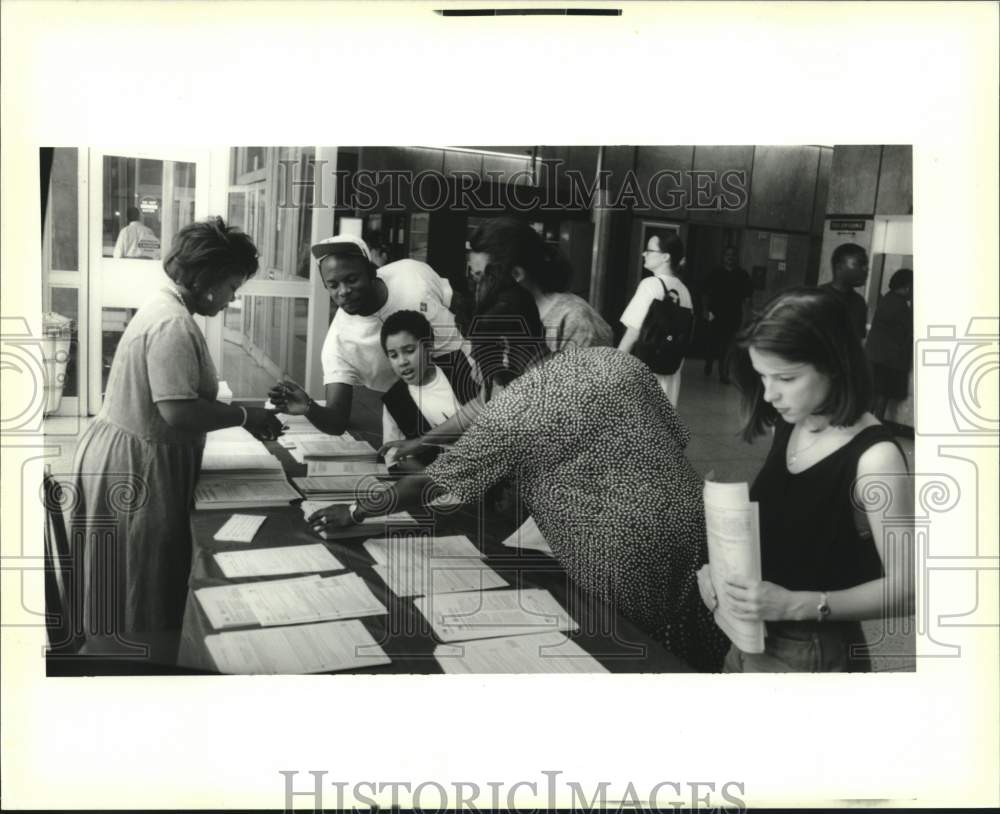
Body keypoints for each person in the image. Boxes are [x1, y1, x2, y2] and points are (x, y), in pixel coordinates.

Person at [313, 284, 728, 672]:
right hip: (699, 530)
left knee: (638, 659)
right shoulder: (616, 361)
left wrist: (354, 511)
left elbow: (430, 483)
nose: (475, 366)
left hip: (624, 556)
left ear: (505, 350)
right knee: (699, 648)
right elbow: (675, 436)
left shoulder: (516, 409)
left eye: (480, 355)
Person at [70, 217, 282, 647]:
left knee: (137, 571)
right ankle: (134, 658)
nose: (232, 299)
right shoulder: (172, 323)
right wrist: (244, 417)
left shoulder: (170, 309)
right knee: (139, 572)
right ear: (207, 281)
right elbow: (178, 411)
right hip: (136, 465)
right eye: (231, 287)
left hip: (133, 450)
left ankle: (131, 645)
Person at [696, 287, 914, 672]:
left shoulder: (874, 458)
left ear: (832, 363)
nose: (770, 394)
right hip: (751, 637)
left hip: (810, 650)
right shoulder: (793, 423)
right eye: (762, 377)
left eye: (786, 377)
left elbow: (908, 590)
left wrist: (795, 604)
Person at [269, 235, 470, 435]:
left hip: (468, 374)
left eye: (352, 279)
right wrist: (308, 407)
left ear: (371, 271)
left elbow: (457, 300)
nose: (344, 291)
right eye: (333, 285)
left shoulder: (412, 274)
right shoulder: (339, 343)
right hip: (417, 408)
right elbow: (337, 421)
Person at [467, 216, 613, 353]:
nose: (478, 288)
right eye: (473, 277)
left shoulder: (575, 321)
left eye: (483, 278)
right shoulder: (498, 316)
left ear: (516, 274)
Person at [380, 309, 478, 469]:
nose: (402, 361)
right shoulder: (395, 401)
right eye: (393, 355)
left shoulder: (461, 364)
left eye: (409, 351)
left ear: (429, 347)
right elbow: (395, 459)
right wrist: (433, 480)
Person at [617, 231, 693, 406]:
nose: (644, 254)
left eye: (649, 250)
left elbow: (632, 334)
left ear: (665, 257)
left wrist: (613, 369)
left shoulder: (650, 285)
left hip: (643, 377)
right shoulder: (684, 291)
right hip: (670, 377)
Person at [865, 268, 914, 422]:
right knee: (881, 398)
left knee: (874, 397)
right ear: (907, 286)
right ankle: (874, 428)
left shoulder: (888, 299)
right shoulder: (900, 305)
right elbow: (908, 329)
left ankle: (867, 427)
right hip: (887, 360)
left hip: (878, 358)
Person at [702, 246, 753, 383]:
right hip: (715, 314)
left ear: (736, 257)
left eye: (733, 255)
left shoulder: (743, 275)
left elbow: (747, 298)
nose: (730, 257)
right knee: (712, 343)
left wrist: (746, 317)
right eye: (727, 254)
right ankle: (709, 361)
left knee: (728, 346)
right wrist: (705, 310)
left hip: (733, 315)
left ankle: (723, 373)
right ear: (723, 257)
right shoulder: (715, 273)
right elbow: (705, 293)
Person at [821, 242, 870, 340]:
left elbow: (857, 342)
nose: (866, 269)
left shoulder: (859, 302)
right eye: (860, 264)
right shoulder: (817, 298)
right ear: (839, 267)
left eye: (866, 265)